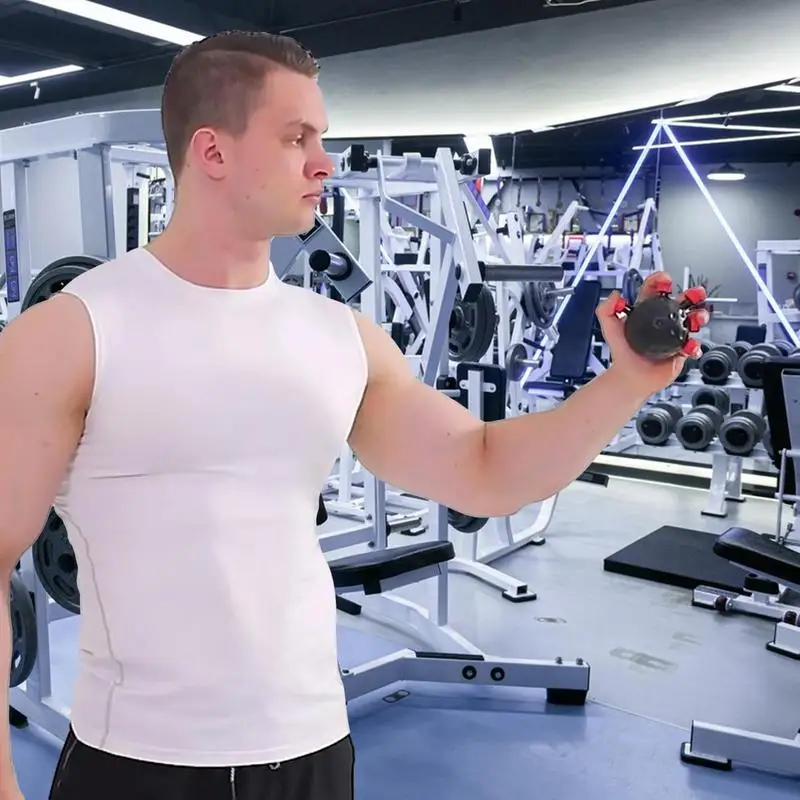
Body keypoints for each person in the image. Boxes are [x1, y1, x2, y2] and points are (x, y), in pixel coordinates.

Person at [0, 30, 707, 800]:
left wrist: (628, 383)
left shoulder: (339, 337)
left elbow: (482, 470)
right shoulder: (71, 334)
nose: (323, 162)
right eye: (296, 137)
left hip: (311, 751)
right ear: (213, 152)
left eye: (322, 138)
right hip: (136, 762)